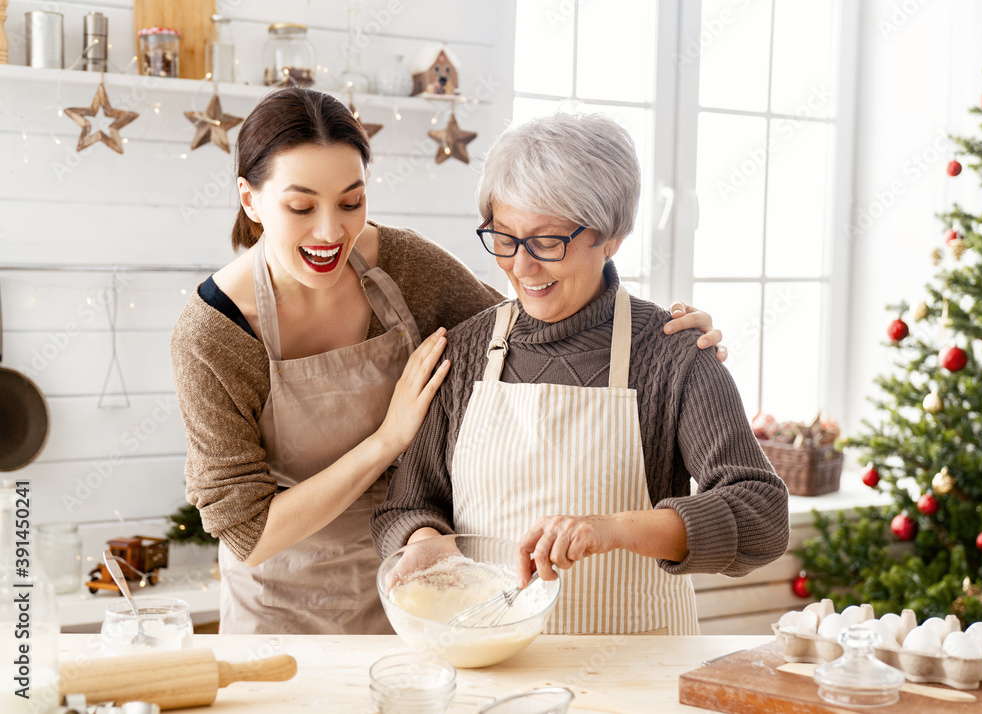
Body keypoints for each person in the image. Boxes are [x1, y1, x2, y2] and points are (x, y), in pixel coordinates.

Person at [170, 88, 728, 635]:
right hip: (284, 605)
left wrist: (670, 343)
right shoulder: (214, 336)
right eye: (300, 207)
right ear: (250, 200)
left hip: (427, 599)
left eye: (351, 201)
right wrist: (389, 439)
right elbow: (249, 532)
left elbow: (529, 324)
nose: (330, 231)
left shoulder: (405, 267)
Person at [371, 112, 790, 636]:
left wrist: (612, 529)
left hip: (634, 675)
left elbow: (762, 516)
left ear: (611, 234)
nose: (521, 268)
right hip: (494, 667)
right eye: (504, 237)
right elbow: (408, 505)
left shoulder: (674, 355)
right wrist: (423, 542)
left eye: (547, 242)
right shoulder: (466, 352)